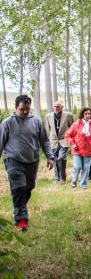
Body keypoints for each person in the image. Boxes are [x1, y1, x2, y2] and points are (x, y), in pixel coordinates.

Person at [0, 95, 54, 231]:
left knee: (28, 188)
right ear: (16, 107)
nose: (25, 112)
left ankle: (18, 209)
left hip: (32, 161)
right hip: (13, 160)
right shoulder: (7, 122)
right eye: (22, 109)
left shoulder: (36, 121)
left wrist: (50, 156)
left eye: (27, 109)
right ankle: (21, 220)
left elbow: (44, 140)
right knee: (19, 188)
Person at [65, 107, 91, 189]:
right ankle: (74, 180)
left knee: (86, 168)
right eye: (86, 114)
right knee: (77, 166)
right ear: (82, 114)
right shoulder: (76, 124)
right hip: (77, 150)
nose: (88, 115)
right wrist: (73, 144)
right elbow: (67, 135)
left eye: (89, 114)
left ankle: (83, 184)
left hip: (89, 150)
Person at [44, 101, 74, 184]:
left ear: (62, 107)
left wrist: (72, 140)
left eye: (58, 106)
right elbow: (47, 129)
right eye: (55, 106)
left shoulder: (68, 115)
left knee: (61, 157)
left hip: (64, 140)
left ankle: (63, 177)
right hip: (53, 141)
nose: (56, 108)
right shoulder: (48, 116)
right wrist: (48, 140)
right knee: (55, 159)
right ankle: (58, 179)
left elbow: (72, 127)